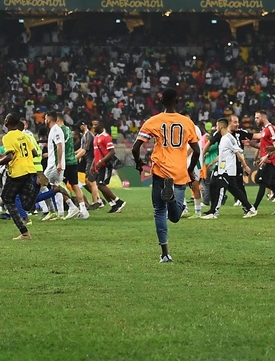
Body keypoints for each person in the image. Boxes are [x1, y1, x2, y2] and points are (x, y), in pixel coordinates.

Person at [132, 88, 202, 263]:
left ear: (162, 102)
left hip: (160, 171)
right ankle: (171, 199)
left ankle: (165, 253)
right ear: (177, 101)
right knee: (175, 217)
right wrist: (190, 170)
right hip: (179, 172)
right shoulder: (187, 123)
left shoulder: (153, 121)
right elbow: (196, 150)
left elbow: (135, 147)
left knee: (159, 211)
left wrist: (139, 162)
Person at [0, 113, 39, 240]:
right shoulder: (24, 135)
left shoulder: (8, 137)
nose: (4, 120)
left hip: (17, 172)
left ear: (8, 122)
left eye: (5, 118)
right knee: (25, 205)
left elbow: (10, 156)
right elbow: (35, 152)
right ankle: (37, 187)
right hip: (29, 170)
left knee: (7, 198)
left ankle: (24, 232)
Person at [215, 117, 258, 218]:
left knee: (227, 187)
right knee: (234, 189)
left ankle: (213, 211)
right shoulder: (223, 136)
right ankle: (249, 208)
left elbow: (238, 152)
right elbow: (221, 154)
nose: (237, 124)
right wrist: (213, 162)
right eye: (235, 122)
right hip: (225, 167)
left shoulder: (229, 138)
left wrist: (245, 165)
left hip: (230, 168)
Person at [251, 110, 275, 215]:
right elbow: (262, 147)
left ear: (263, 117)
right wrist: (251, 143)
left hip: (269, 161)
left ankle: (254, 208)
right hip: (265, 160)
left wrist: (267, 157)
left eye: (257, 118)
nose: (255, 120)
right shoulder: (264, 130)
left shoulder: (271, 129)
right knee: (270, 184)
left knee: (262, 182)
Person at [57, 114, 89, 220]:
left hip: (65, 162)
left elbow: (61, 147)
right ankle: (83, 210)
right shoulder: (69, 130)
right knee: (75, 185)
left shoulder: (60, 131)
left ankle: (71, 206)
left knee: (59, 185)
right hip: (73, 161)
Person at [92, 121, 126, 213]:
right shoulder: (96, 137)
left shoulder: (106, 137)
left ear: (101, 125)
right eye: (93, 125)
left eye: (96, 125)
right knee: (100, 185)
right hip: (98, 165)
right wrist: (93, 165)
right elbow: (96, 153)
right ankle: (114, 205)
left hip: (105, 165)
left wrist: (101, 161)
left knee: (101, 185)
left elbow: (112, 152)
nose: (94, 127)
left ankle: (118, 201)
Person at [76, 121, 102, 209]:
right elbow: (81, 148)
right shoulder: (84, 135)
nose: (79, 128)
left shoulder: (88, 135)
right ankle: (99, 200)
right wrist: (73, 153)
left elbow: (84, 151)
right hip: (88, 160)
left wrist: (74, 158)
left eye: (80, 126)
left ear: (84, 125)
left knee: (92, 182)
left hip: (91, 160)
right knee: (87, 181)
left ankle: (95, 202)